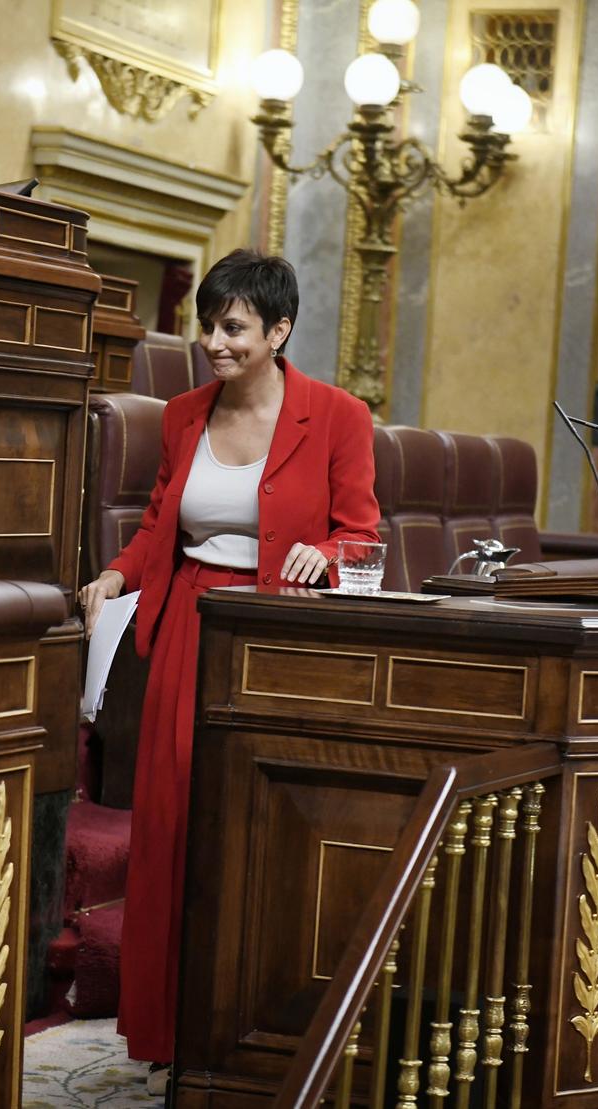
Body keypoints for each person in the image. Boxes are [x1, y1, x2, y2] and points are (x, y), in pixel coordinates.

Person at [78, 248, 380, 1092]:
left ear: (279, 331)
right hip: (188, 636)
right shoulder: (182, 415)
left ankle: (258, 1029)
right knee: (175, 831)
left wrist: (325, 552)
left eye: (235, 327)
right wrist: (116, 574)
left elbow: (361, 530)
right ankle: (173, 1028)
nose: (215, 340)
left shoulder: (339, 414)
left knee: (259, 834)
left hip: (277, 638)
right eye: (208, 324)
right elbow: (157, 527)